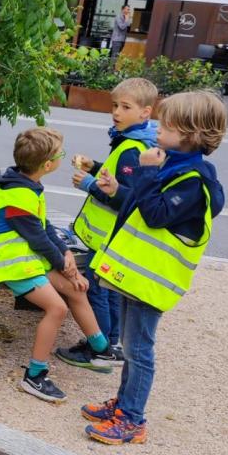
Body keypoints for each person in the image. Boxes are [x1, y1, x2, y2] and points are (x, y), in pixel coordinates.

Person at [83, 90, 226, 445]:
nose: (158, 128)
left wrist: (146, 172)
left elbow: (155, 213)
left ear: (191, 134)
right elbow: (138, 204)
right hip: (136, 276)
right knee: (132, 346)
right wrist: (120, 186)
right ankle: (124, 404)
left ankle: (133, 419)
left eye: (168, 125)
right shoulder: (171, 163)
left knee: (139, 349)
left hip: (152, 282)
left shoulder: (193, 179)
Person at [0, 127, 113, 404]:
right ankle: (35, 375)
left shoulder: (27, 185)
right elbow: (38, 238)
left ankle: (100, 349)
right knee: (57, 307)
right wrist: (65, 267)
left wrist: (65, 254)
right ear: (48, 165)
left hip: (27, 258)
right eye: (59, 154)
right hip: (11, 263)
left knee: (76, 290)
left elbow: (44, 226)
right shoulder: (19, 196)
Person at [67, 77, 159, 364]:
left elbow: (128, 199)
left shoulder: (133, 148)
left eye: (125, 107)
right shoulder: (135, 140)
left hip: (106, 236)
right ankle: (112, 344)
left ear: (146, 112)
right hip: (111, 237)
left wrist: (90, 184)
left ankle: (100, 347)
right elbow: (118, 176)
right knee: (110, 292)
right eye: (115, 105)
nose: (116, 112)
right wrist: (95, 165)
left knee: (98, 292)